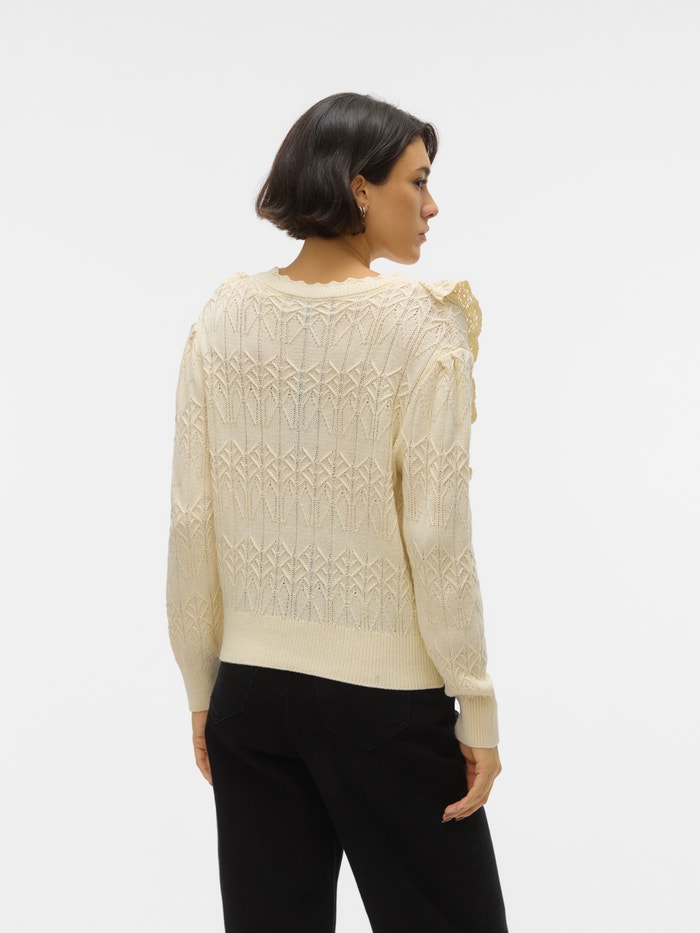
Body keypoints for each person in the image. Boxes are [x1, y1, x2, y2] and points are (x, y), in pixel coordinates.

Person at [166, 91, 508, 933]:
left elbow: (191, 518)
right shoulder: (422, 326)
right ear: (360, 188)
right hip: (384, 705)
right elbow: (437, 537)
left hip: (250, 698)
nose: (431, 205)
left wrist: (204, 685)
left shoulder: (224, 318)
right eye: (416, 181)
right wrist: (476, 703)